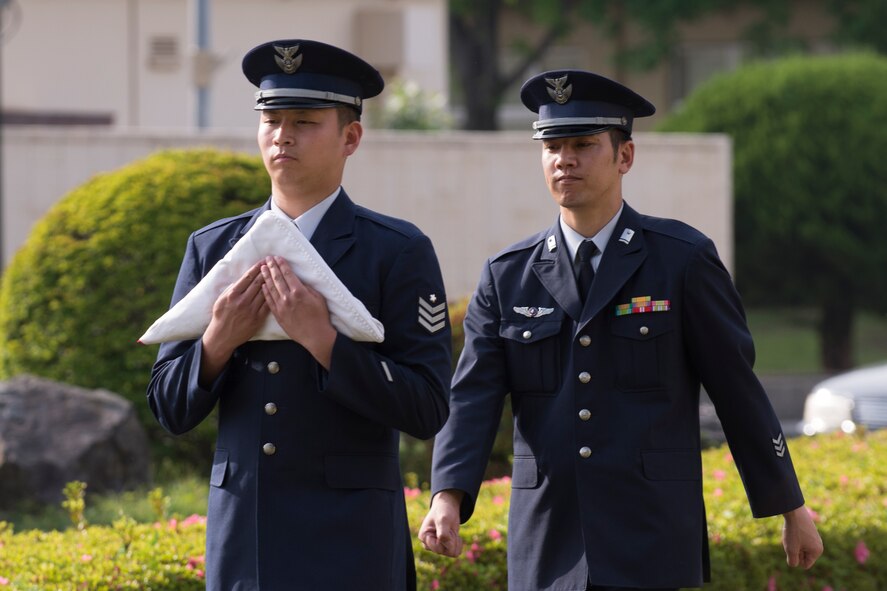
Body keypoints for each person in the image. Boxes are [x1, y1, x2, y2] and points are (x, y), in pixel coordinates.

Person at [418, 69, 823, 591]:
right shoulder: (507, 274)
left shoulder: (681, 260)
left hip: (651, 538)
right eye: (553, 146)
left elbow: (735, 388)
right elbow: (472, 398)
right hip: (547, 541)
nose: (565, 159)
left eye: (583, 144)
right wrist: (447, 496)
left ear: (624, 156)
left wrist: (789, 504)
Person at [147, 39, 452, 591]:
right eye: (271, 120)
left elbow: (427, 406)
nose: (282, 135)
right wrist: (218, 340)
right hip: (248, 536)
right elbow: (168, 407)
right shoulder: (214, 248)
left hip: (351, 539)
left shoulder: (395, 250)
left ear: (350, 137)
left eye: (305, 121)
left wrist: (327, 343)